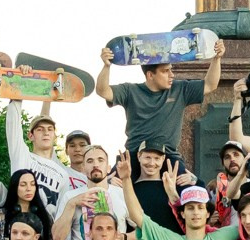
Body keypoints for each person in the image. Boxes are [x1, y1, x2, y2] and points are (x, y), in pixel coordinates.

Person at [97, 38, 226, 166]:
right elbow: (103, 91)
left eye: (171, 69)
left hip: (168, 156)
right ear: (150, 75)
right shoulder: (130, 91)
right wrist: (107, 66)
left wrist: (217, 58)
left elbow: (210, 85)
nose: (172, 75)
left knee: (195, 186)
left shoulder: (180, 89)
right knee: (111, 184)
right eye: (165, 71)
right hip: (134, 155)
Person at [53, 145, 132, 240]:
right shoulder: (70, 197)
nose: (95, 164)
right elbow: (57, 238)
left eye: (100, 160)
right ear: (83, 168)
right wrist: (72, 204)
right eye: (90, 161)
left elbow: (145, 230)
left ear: (108, 168)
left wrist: (124, 237)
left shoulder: (123, 194)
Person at [3, 104, 82, 217]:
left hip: (47, 230)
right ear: (31, 136)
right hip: (20, 224)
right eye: (40, 129)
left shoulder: (63, 174)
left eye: (50, 129)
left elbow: (62, 212)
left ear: (54, 136)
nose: (46, 133)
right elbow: (13, 123)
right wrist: (16, 95)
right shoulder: (22, 157)